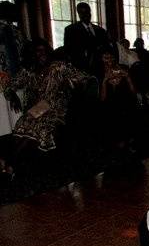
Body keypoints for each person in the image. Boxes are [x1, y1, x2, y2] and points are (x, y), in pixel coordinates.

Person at [1, 39, 87, 176]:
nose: (41, 54)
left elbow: (83, 78)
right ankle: (11, 164)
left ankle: (10, 164)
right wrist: (12, 95)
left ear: (48, 51)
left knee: (38, 129)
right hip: (36, 109)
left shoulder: (58, 67)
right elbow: (10, 85)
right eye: (37, 51)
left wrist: (70, 84)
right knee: (22, 127)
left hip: (55, 109)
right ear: (32, 54)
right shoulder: (29, 71)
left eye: (43, 50)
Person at [63, 2, 109, 76]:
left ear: (90, 13)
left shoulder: (100, 30)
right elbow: (68, 51)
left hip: (100, 67)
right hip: (81, 69)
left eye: (87, 12)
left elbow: (106, 47)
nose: (85, 15)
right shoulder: (71, 30)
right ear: (79, 14)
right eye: (82, 13)